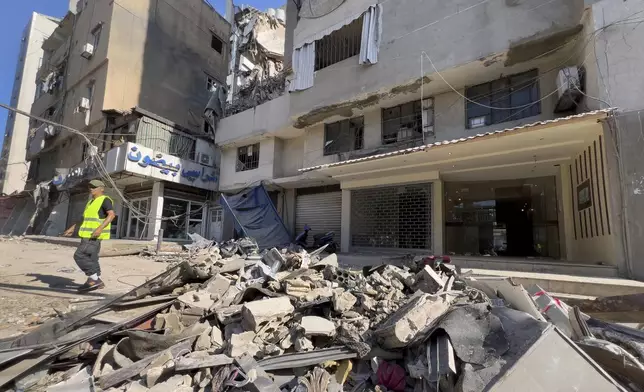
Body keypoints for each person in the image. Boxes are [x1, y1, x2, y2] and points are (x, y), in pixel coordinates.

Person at [63, 179, 116, 292]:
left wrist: (99, 229)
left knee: (79, 255)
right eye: (90, 187)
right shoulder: (91, 202)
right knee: (92, 258)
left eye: (94, 187)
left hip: (93, 236)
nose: (91, 189)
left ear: (101, 189)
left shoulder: (105, 200)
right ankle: (97, 280)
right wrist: (72, 228)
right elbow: (84, 218)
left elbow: (111, 215)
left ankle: (94, 279)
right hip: (86, 234)